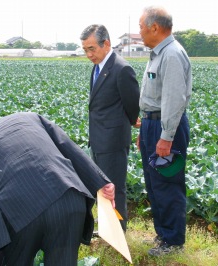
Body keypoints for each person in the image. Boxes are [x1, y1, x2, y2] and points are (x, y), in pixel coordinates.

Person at [0, 112, 115, 266]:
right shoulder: (30, 118)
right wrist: (100, 182)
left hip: (18, 212)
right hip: (68, 198)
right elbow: (66, 145)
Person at [137, 6, 192, 256]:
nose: (139, 33)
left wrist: (166, 137)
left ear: (155, 28)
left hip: (166, 126)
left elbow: (173, 100)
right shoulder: (158, 53)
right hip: (152, 125)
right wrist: (145, 129)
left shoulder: (171, 54)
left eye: (141, 27)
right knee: (154, 183)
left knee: (167, 183)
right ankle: (163, 235)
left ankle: (173, 242)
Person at [80, 24, 140, 231]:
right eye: (85, 50)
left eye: (92, 49)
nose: (88, 54)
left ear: (106, 44)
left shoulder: (122, 69)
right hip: (98, 139)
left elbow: (133, 105)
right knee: (101, 186)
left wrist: (132, 121)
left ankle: (118, 229)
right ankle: (107, 224)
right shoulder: (97, 67)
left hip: (113, 140)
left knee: (115, 187)